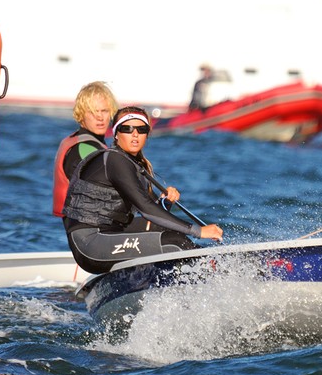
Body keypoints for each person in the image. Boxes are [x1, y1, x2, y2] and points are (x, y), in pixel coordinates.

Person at [62, 105, 224, 274]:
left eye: (141, 130)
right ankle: (214, 274)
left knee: (167, 231)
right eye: (127, 128)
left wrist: (164, 201)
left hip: (111, 234)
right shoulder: (114, 160)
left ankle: (209, 268)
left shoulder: (133, 165)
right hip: (90, 244)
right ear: (116, 134)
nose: (135, 134)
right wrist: (198, 231)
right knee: (175, 242)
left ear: (147, 134)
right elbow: (146, 208)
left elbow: (154, 213)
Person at [52, 81, 118, 217]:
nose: (100, 117)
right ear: (81, 115)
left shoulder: (75, 140)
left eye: (104, 111)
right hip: (87, 227)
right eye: (93, 112)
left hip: (78, 224)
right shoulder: (86, 148)